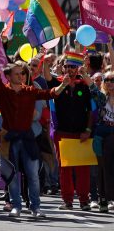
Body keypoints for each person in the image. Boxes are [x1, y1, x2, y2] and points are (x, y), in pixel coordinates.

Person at [0, 44, 69, 218]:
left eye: (23, 73)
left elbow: (50, 93)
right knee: (12, 176)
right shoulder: (3, 91)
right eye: (17, 73)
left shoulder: (30, 91)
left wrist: (63, 85)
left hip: (28, 139)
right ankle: (16, 206)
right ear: (8, 76)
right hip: (9, 139)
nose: (22, 75)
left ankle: (35, 207)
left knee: (32, 175)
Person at [48, 56, 94, 211]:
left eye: (73, 67)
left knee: (83, 170)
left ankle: (84, 201)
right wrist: (44, 59)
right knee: (65, 169)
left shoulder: (84, 86)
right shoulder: (57, 83)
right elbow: (46, 76)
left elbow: (90, 111)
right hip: (63, 133)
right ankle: (67, 200)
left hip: (82, 134)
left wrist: (88, 130)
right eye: (67, 66)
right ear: (62, 68)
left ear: (77, 69)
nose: (69, 70)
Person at [91, 67, 114, 212]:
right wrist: (84, 73)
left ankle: (110, 197)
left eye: (113, 80)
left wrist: (111, 48)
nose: (110, 82)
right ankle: (103, 199)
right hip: (101, 133)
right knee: (101, 167)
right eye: (108, 80)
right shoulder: (102, 97)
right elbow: (91, 86)